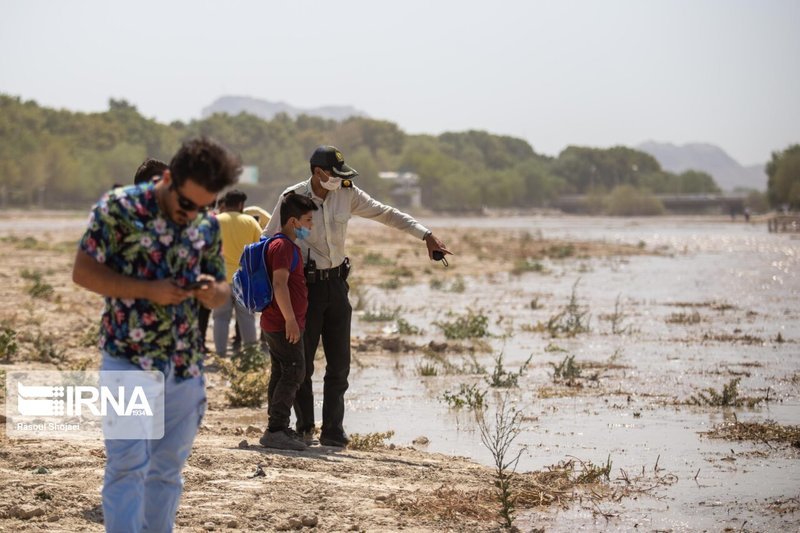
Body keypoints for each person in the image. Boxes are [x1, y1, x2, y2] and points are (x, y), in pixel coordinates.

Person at [72, 137, 241, 533]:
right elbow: (83, 272)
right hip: (129, 360)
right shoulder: (119, 208)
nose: (191, 214)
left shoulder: (206, 223)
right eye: (186, 204)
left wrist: (210, 292)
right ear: (168, 179)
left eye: (202, 207)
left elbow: (221, 290)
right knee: (127, 466)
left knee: (167, 472)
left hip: (184, 367)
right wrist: (149, 290)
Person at [263, 145, 450, 447]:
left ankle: (333, 430)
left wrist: (426, 235)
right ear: (318, 172)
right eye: (334, 175)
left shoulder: (347, 194)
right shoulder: (292, 198)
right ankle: (304, 427)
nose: (339, 180)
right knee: (302, 365)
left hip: (337, 286)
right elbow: (268, 239)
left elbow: (386, 213)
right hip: (305, 290)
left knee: (340, 364)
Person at [259, 192, 318, 451]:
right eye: (308, 220)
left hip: (276, 321)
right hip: (282, 323)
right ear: (293, 221)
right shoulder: (283, 246)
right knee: (295, 371)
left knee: (281, 371)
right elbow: (280, 284)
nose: (311, 226)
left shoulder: (282, 244)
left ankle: (278, 427)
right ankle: (275, 429)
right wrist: (291, 319)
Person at [212, 189, 263, 356]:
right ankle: (251, 355)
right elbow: (260, 248)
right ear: (241, 204)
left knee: (220, 318)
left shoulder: (216, 221)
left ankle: (220, 355)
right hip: (244, 279)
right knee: (247, 318)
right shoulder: (250, 221)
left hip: (220, 278)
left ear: (225, 204)